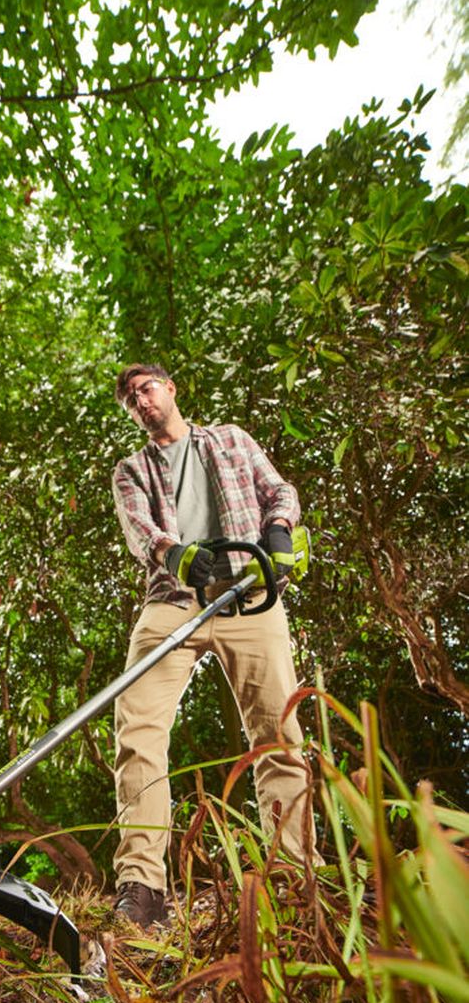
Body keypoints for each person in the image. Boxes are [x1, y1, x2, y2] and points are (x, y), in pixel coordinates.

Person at [110, 363, 317, 929]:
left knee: (277, 729)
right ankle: (142, 887)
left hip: (249, 594)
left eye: (146, 389)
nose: (141, 401)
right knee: (137, 726)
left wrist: (278, 528)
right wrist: (172, 553)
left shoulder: (230, 440)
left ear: (170, 388)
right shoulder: (131, 470)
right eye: (130, 399)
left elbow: (279, 490)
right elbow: (139, 528)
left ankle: (293, 874)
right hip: (174, 598)